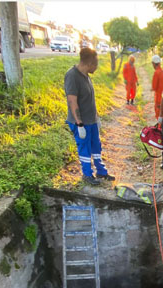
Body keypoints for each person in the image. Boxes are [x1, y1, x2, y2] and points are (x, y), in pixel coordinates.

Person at [65, 48, 115, 186]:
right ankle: (87, 174)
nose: (97, 67)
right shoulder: (72, 76)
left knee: (96, 147)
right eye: (96, 64)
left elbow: (90, 100)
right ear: (89, 63)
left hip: (91, 121)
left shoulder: (86, 75)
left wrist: (96, 118)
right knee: (85, 148)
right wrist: (79, 124)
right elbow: (72, 101)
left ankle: (101, 171)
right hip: (81, 122)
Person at [151, 55, 163, 120]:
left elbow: (154, 87)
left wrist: (152, 88)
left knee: (158, 115)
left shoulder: (156, 73)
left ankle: (159, 129)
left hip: (158, 97)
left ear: (153, 64)